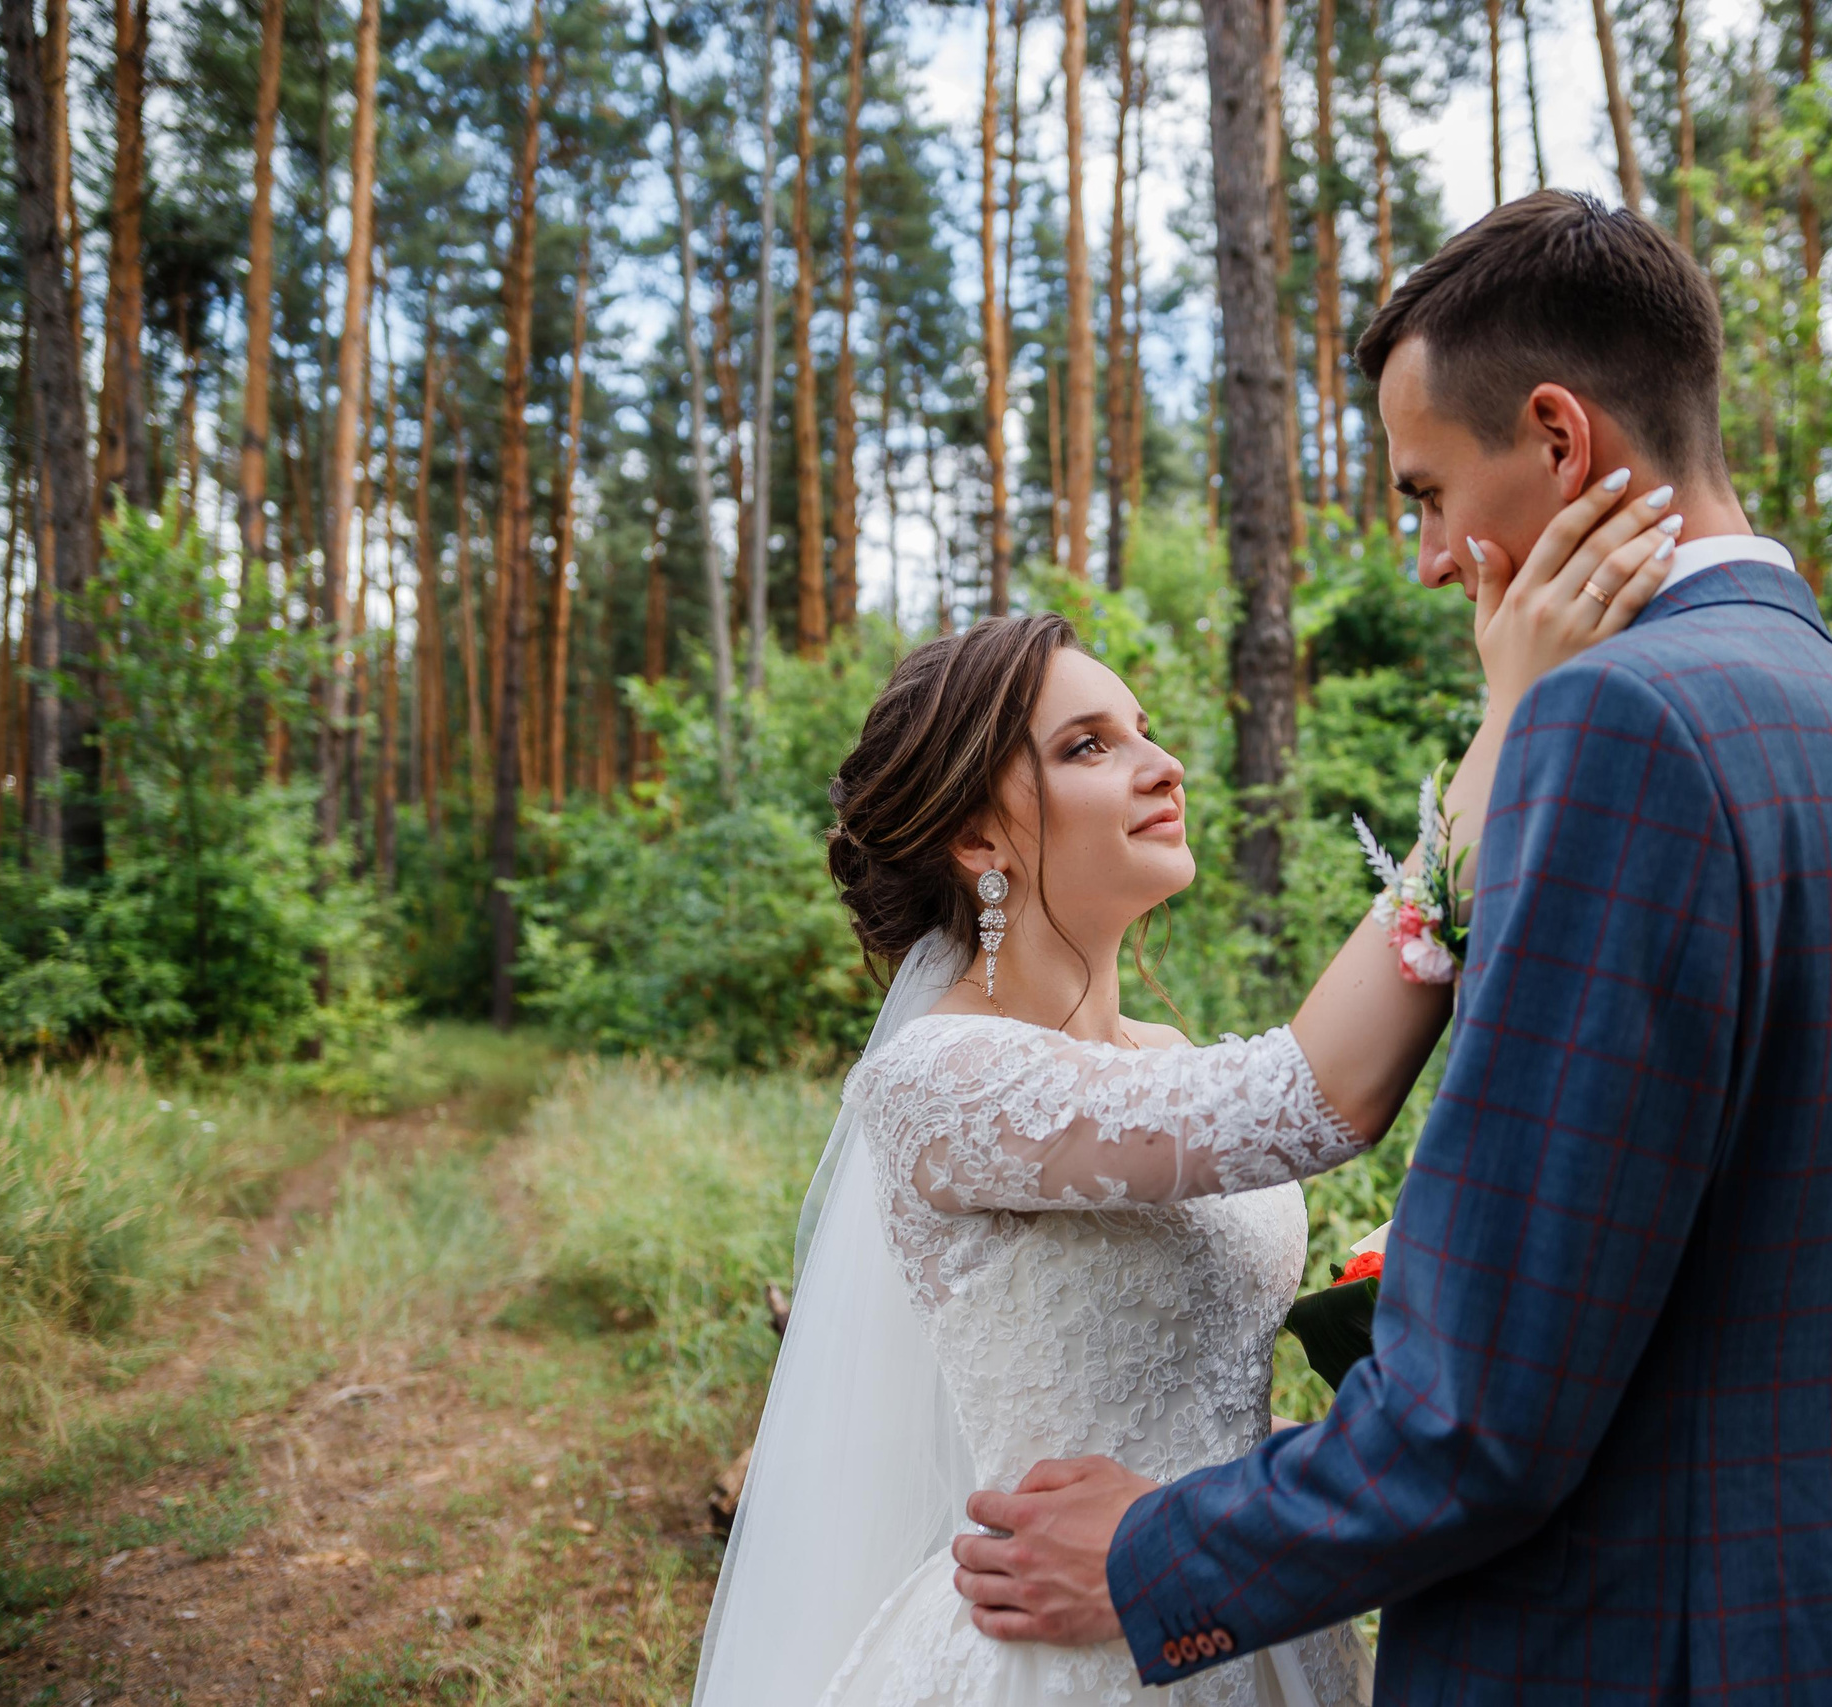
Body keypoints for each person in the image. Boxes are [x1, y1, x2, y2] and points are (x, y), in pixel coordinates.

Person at [947, 190, 1832, 1706]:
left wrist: (1152, 1554)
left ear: (1558, 438)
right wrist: (1728, 1463)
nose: (1423, 559)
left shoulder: (1610, 730)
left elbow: (1481, 1417)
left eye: (1422, 494)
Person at [685, 395, 1688, 1703]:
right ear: (979, 842)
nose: (1160, 765)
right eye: (1089, 746)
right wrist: (1508, 720)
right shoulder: (940, 1080)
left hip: (1229, 1605)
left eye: (1143, 727)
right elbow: (1310, 1095)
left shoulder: (1153, 1051)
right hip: (1064, 1656)